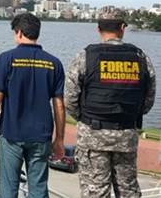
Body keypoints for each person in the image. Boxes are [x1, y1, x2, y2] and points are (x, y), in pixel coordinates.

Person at [65, 13, 156, 197]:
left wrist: (86, 118)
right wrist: (131, 115)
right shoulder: (140, 58)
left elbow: (70, 99)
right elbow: (148, 99)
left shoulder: (85, 57)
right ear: (122, 28)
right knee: (128, 191)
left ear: (98, 29)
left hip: (92, 136)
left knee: (96, 192)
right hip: (126, 136)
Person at [0, 13, 65, 198]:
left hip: (12, 134)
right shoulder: (54, 63)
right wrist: (59, 138)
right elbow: (59, 104)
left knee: (8, 188)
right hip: (41, 136)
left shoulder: (6, 59)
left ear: (19, 33)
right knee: (39, 188)